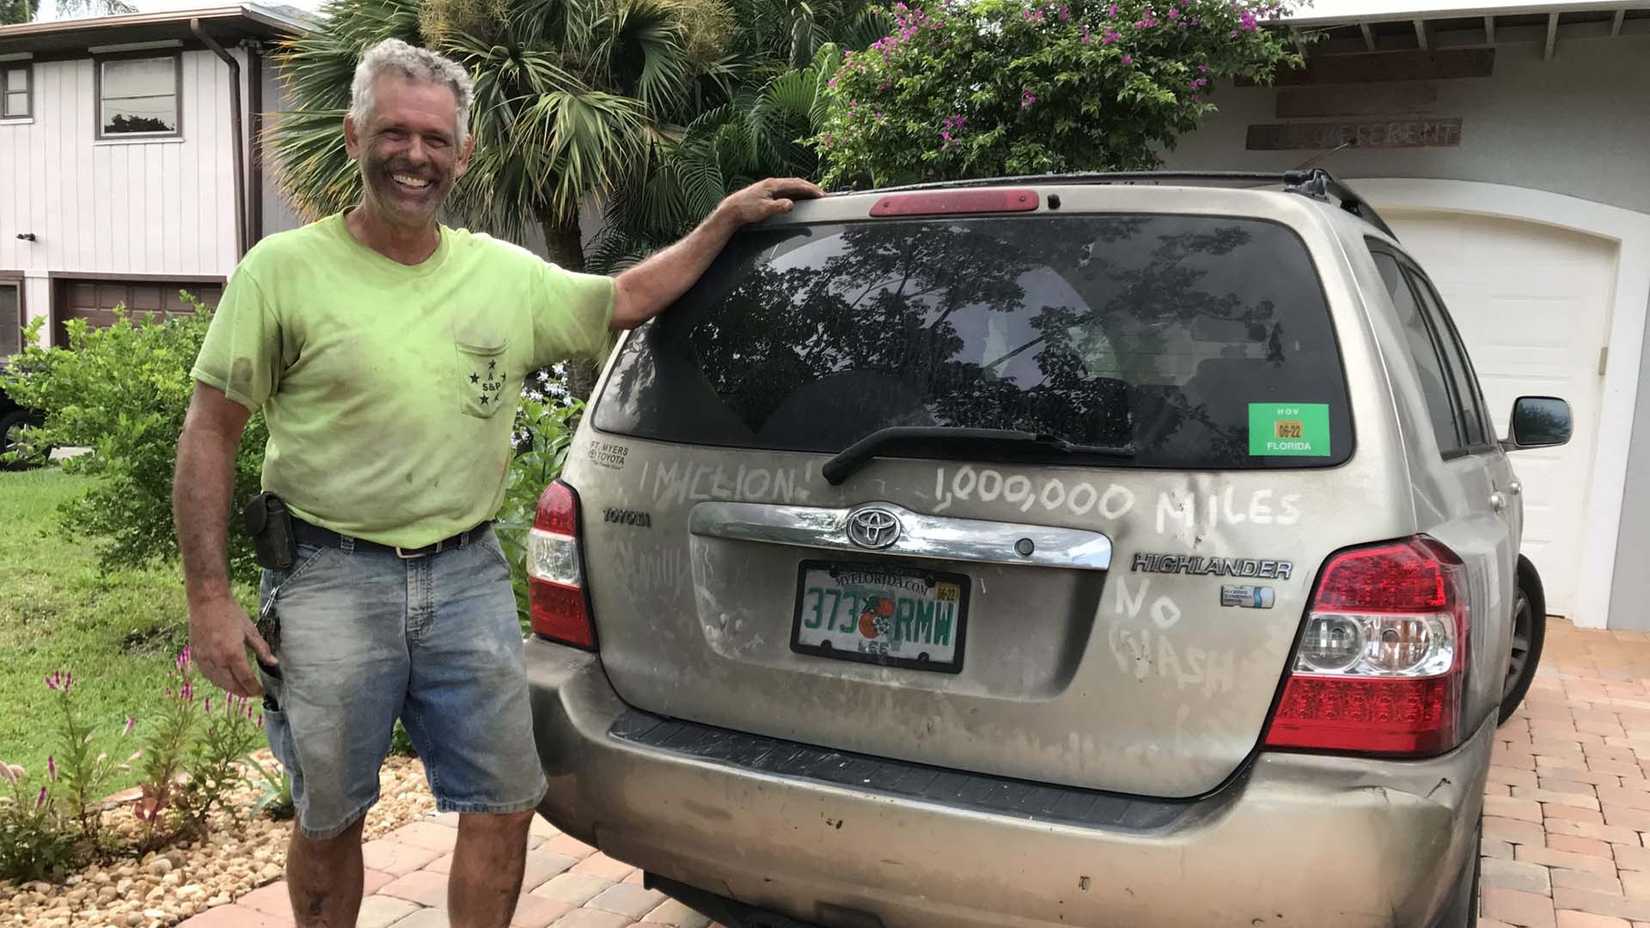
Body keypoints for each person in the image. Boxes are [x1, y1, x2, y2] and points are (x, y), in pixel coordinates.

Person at [172, 37, 822, 928]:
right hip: (329, 578)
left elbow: (624, 298)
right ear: (356, 133)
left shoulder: (502, 276)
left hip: (465, 577)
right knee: (330, 814)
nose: (415, 156)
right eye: (395, 133)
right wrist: (209, 596)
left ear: (463, 153)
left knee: (505, 800)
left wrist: (720, 226)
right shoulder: (281, 272)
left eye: (436, 140)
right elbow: (211, 431)